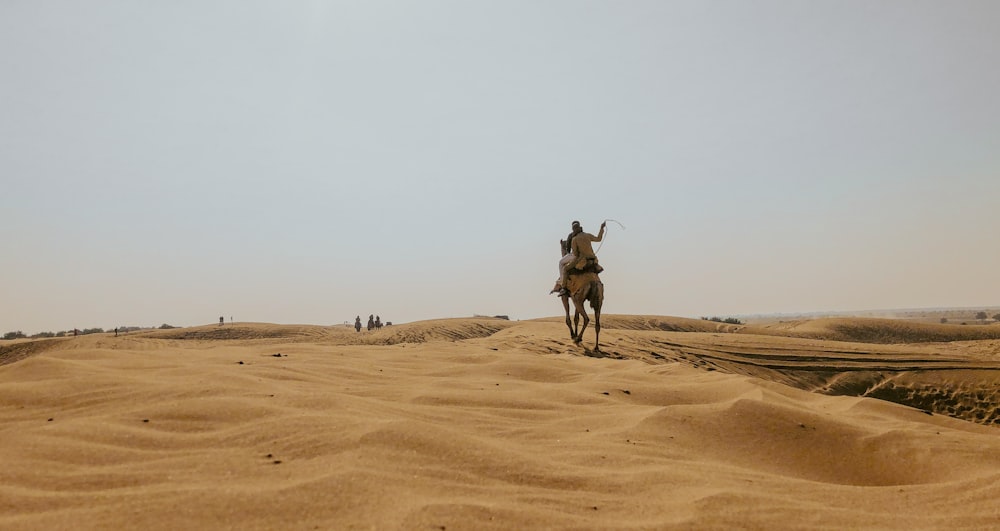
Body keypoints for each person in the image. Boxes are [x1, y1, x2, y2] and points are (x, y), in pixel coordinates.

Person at [557, 220, 605, 296]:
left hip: (581, 260)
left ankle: (563, 287)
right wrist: (602, 228)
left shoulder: (574, 239)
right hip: (592, 259)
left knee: (565, 268)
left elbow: (575, 253)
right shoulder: (587, 235)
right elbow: (598, 239)